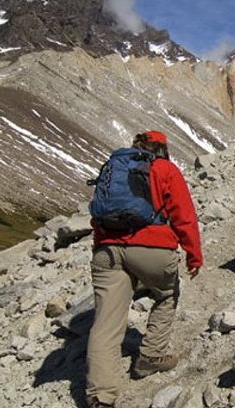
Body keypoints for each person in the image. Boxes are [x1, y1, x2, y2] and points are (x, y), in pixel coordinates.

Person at [86, 131, 203, 408]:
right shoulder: (164, 168)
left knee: (105, 324)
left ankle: (100, 397)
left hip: (106, 250)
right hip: (153, 248)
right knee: (166, 294)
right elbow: (183, 216)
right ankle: (151, 356)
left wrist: (103, 246)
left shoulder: (114, 168)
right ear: (162, 148)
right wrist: (193, 255)